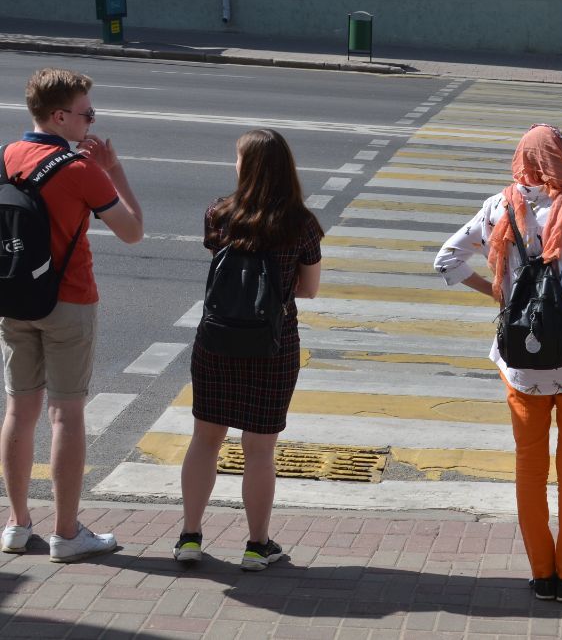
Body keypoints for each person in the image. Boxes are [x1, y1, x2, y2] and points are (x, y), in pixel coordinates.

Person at [434, 124, 562, 605]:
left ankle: (541, 574)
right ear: (559, 160)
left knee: (529, 468)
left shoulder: (498, 208)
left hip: (521, 364)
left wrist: (498, 292)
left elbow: (447, 260)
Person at [1, 68, 144, 563]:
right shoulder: (81, 168)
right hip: (69, 300)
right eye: (87, 114)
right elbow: (132, 230)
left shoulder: (6, 156)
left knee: (20, 410)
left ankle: (17, 525)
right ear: (59, 116)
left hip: (14, 299)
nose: (92, 123)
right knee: (66, 414)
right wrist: (113, 168)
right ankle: (66, 534)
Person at [174, 129, 322, 571]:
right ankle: (257, 546)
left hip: (217, 340)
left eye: (237, 158)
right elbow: (309, 290)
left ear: (250, 167)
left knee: (205, 438)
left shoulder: (220, 215)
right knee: (259, 448)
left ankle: (189, 537)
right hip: (272, 345)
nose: (234, 164)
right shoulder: (301, 224)